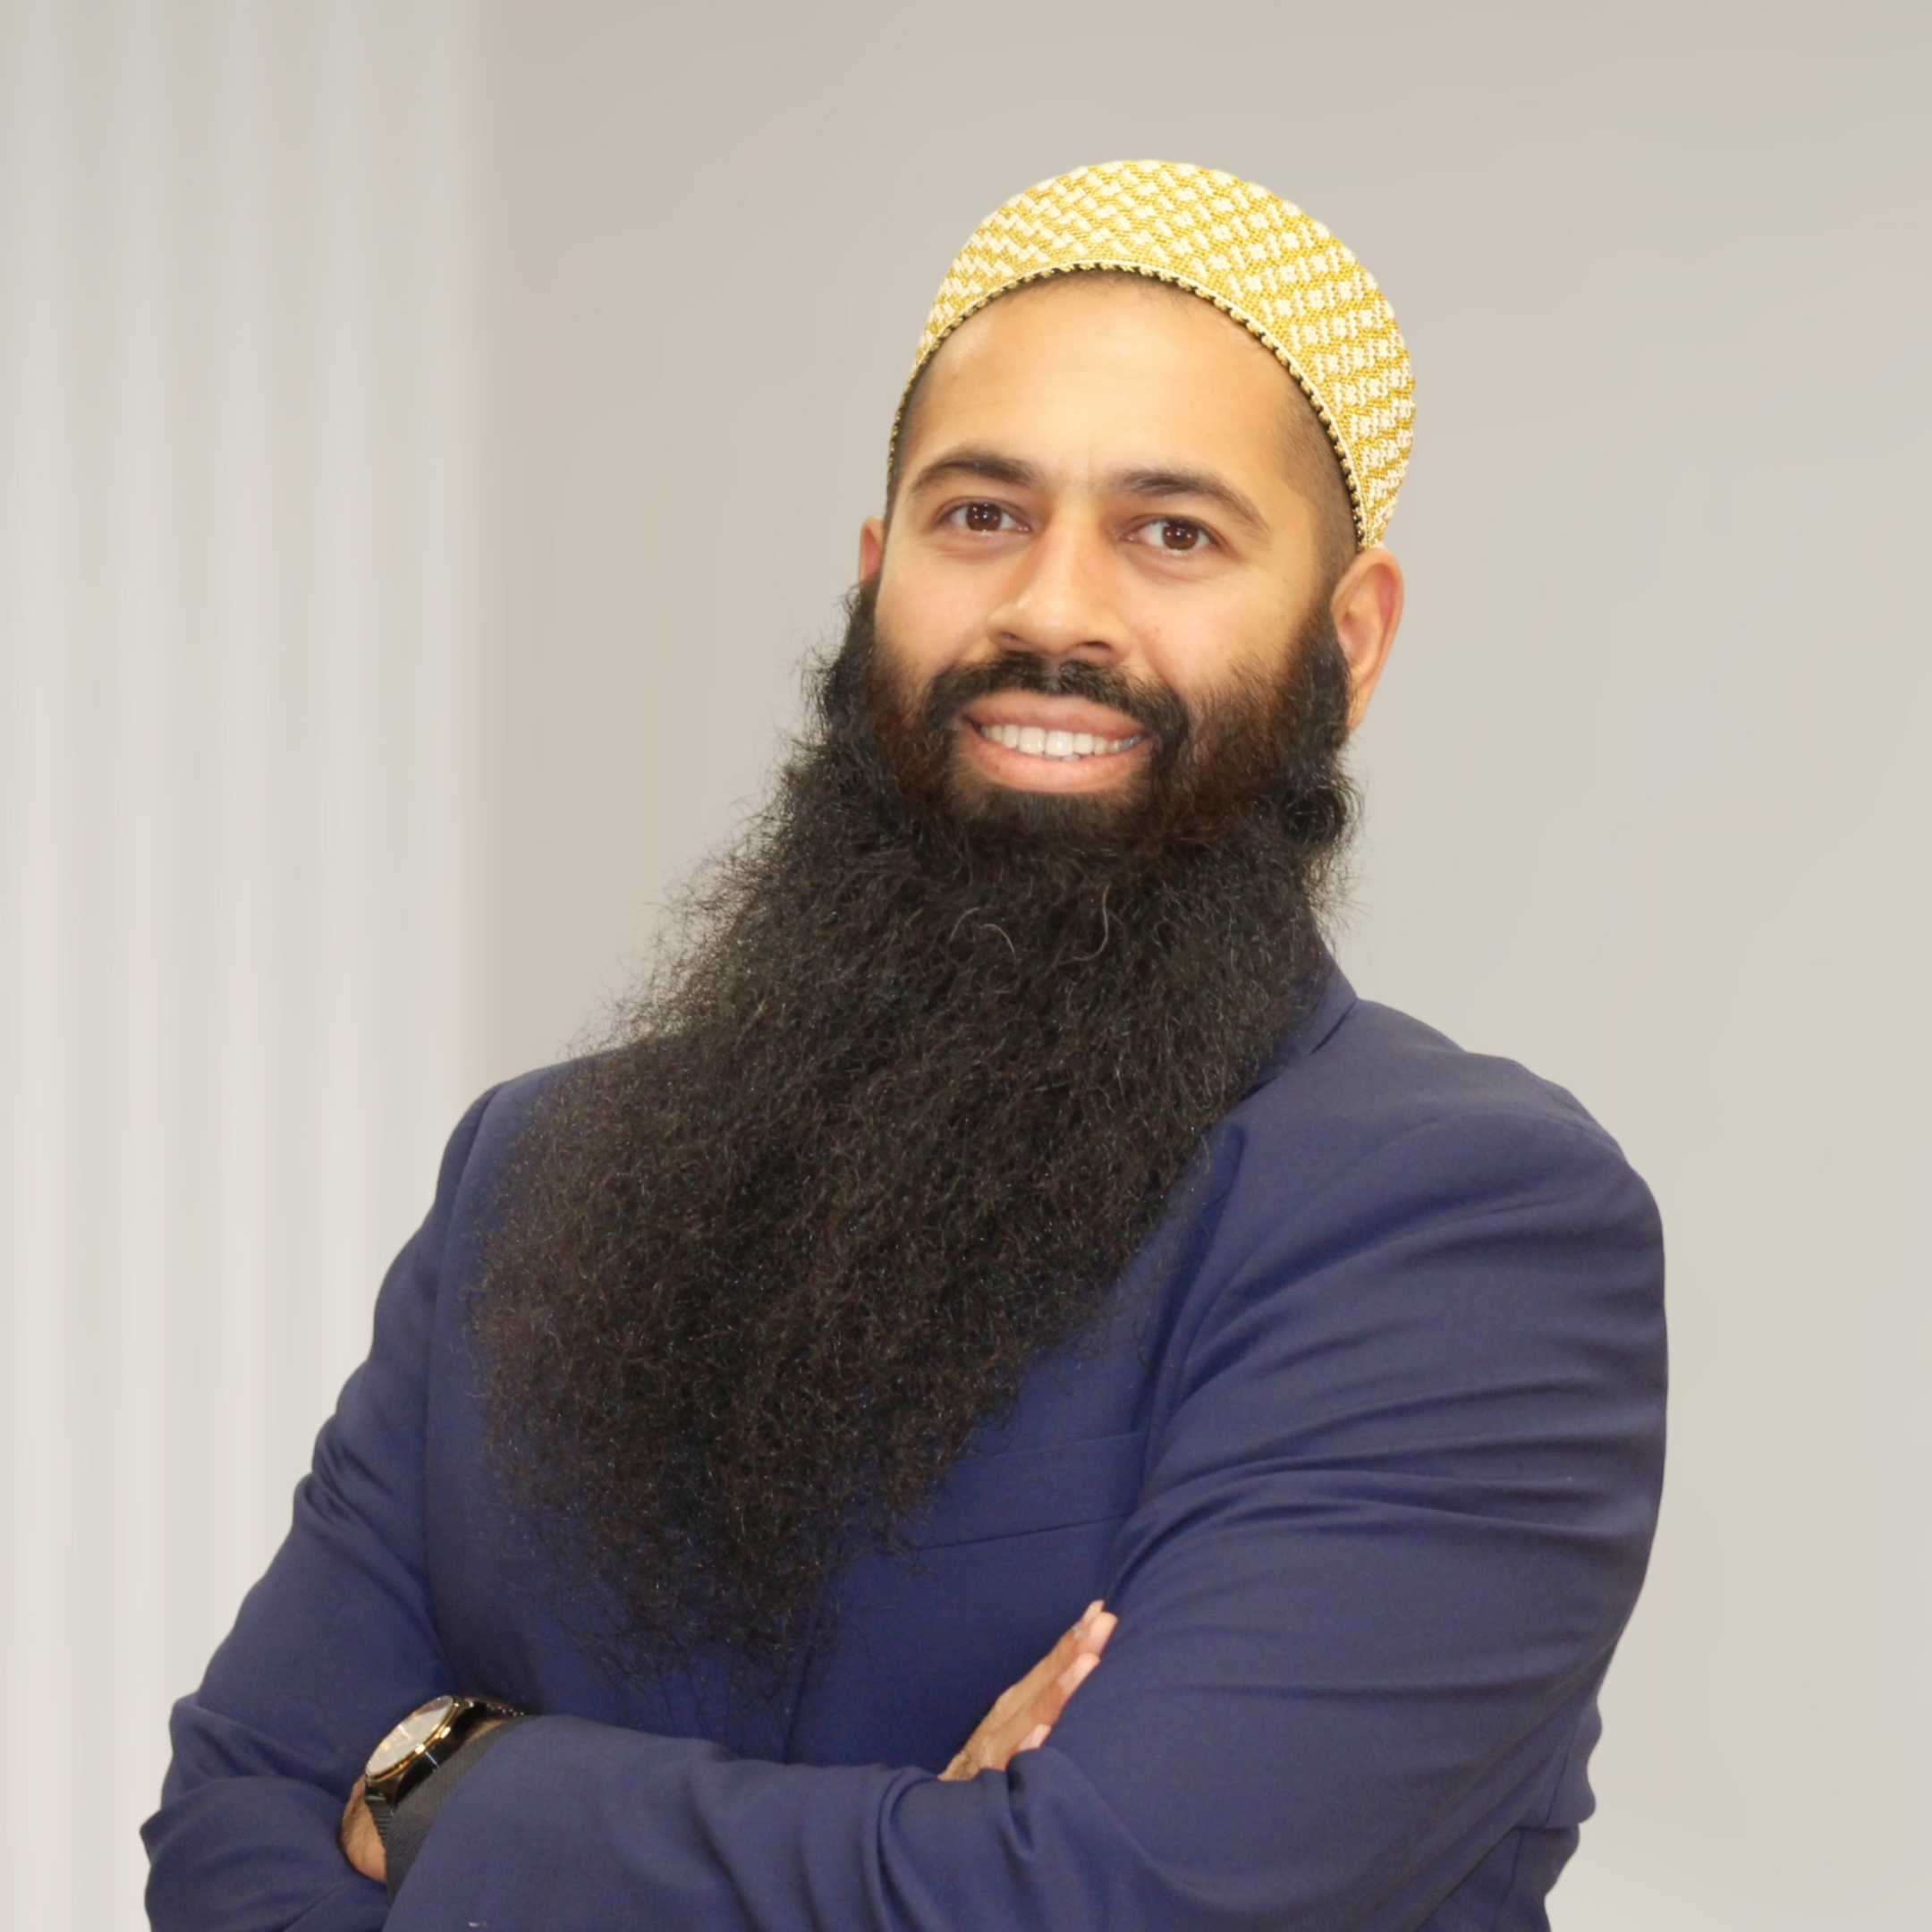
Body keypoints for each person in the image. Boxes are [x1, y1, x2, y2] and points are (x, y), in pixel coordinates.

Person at [144, 160, 1665, 1932]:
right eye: (980, 517)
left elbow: (1107, 1904)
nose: (1052, 611)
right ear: (876, 578)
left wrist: (461, 1786)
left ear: (1348, 642)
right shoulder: (535, 1178)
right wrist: (923, 1856)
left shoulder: (1450, 1222)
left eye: (1175, 533)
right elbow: (233, 1830)